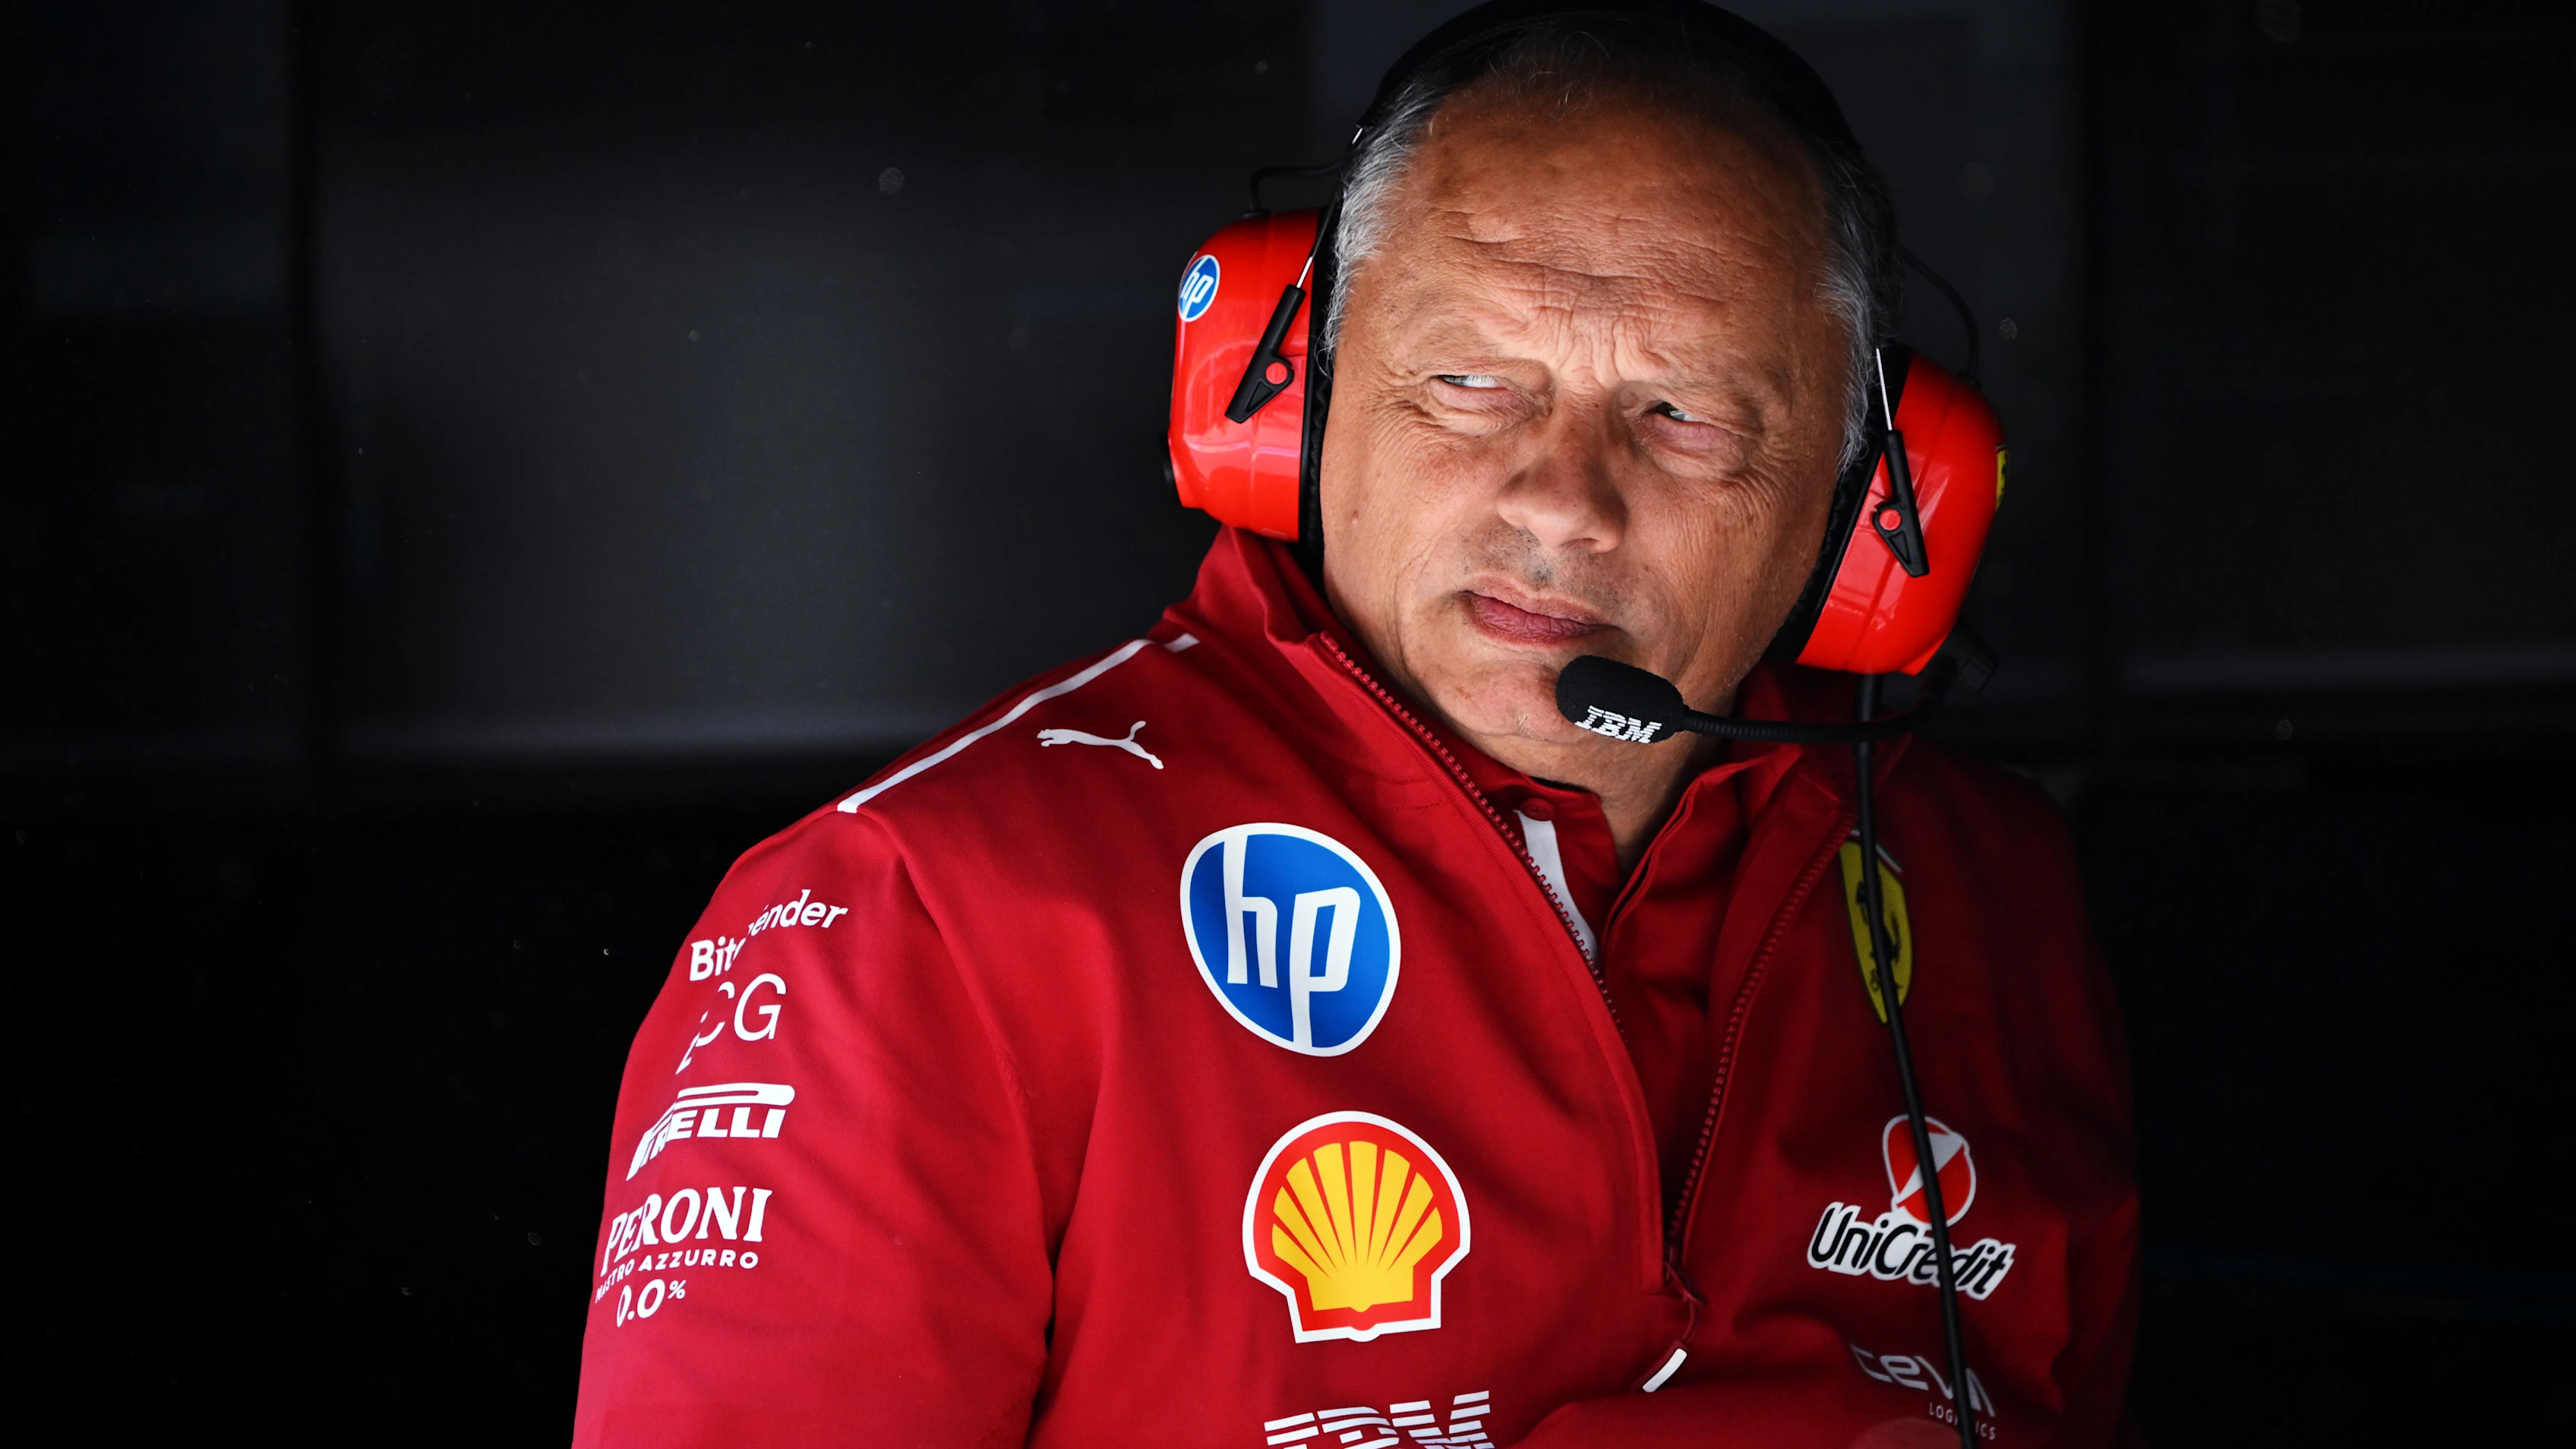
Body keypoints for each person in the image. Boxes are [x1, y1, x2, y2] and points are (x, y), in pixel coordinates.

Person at [570, 5, 2136, 1445]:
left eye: (1684, 417)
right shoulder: (916, 916)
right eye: (1465, 382)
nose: (1561, 504)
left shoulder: (1983, 887)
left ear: (1872, 504)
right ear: (1284, 399)